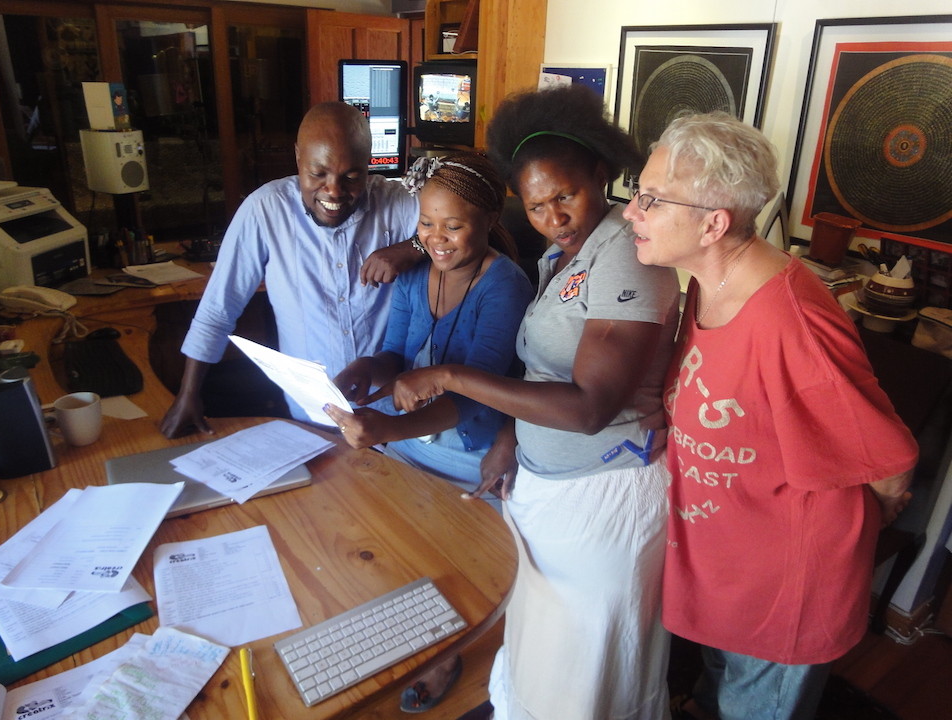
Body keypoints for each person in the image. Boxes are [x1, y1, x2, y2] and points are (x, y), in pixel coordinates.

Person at [387, 84, 682, 720]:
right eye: (537, 204)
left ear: (600, 174)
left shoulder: (627, 257)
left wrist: (451, 376)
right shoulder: (564, 254)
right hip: (549, 481)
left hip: (604, 489)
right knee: (542, 647)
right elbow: (541, 369)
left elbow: (588, 408)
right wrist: (509, 437)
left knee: (587, 667)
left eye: (565, 196)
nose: (554, 217)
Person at [623, 111, 918, 720]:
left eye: (650, 198)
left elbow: (889, 460)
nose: (631, 211)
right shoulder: (709, 281)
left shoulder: (790, 323)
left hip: (784, 579)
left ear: (713, 223)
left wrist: (878, 507)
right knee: (715, 684)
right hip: (728, 556)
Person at [324, 152, 533, 713]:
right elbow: (397, 351)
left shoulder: (504, 286)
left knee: (456, 562)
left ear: (490, 220)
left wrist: (390, 429)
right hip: (414, 444)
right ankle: (411, 626)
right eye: (426, 224)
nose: (436, 239)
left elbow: (472, 396)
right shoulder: (418, 273)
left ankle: (444, 651)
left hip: (469, 451)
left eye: (453, 226)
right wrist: (366, 368)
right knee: (399, 544)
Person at [160, 102, 421, 438]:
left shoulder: (399, 203)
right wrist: (189, 393)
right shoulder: (265, 210)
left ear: (368, 163)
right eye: (318, 174)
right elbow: (218, 308)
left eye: (351, 177)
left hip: (394, 420)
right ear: (298, 157)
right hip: (312, 419)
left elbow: (471, 221)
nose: (333, 191)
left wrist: (413, 247)